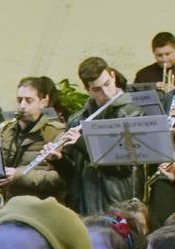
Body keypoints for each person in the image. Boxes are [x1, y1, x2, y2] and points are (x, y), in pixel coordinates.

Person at [60, 57, 145, 215]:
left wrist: (83, 143)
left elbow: (123, 166)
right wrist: (57, 159)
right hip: (82, 204)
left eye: (107, 84)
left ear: (113, 76)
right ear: (88, 89)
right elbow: (70, 174)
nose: (106, 93)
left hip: (116, 202)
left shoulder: (132, 114)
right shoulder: (76, 119)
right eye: (97, 89)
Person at [0, 78, 68, 201]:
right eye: (19, 100)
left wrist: (19, 175)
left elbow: (60, 179)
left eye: (29, 100)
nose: (22, 106)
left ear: (43, 102)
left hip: (40, 205)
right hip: (9, 203)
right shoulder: (7, 130)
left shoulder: (56, 132)